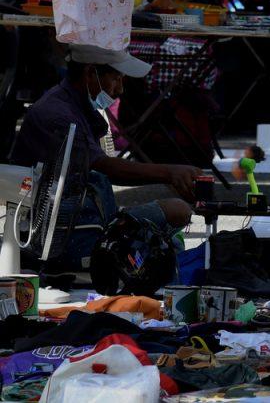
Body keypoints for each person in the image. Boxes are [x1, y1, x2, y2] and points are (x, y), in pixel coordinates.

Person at [11, 45, 197, 267]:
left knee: (173, 223)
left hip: (88, 217)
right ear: (90, 73)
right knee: (176, 213)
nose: (120, 90)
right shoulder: (59, 115)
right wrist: (169, 173)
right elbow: (105, 166)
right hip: (69, 231)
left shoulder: (71, 104)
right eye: (116, 79)